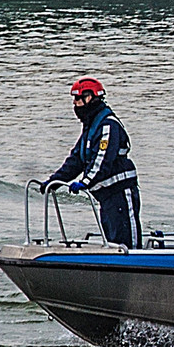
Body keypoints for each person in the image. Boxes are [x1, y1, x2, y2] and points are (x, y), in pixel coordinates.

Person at [45, 77, 141, 247]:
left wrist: (84, 183)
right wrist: (55, 181)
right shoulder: (91, 128)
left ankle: (138, 268)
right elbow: (77, 159)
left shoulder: (108, 125)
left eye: (77, 99)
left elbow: (102, 160)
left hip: (119, 192)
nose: (74, 104)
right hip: (106, 197)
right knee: (112, 241)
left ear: (89, 98)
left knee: (126, 242)